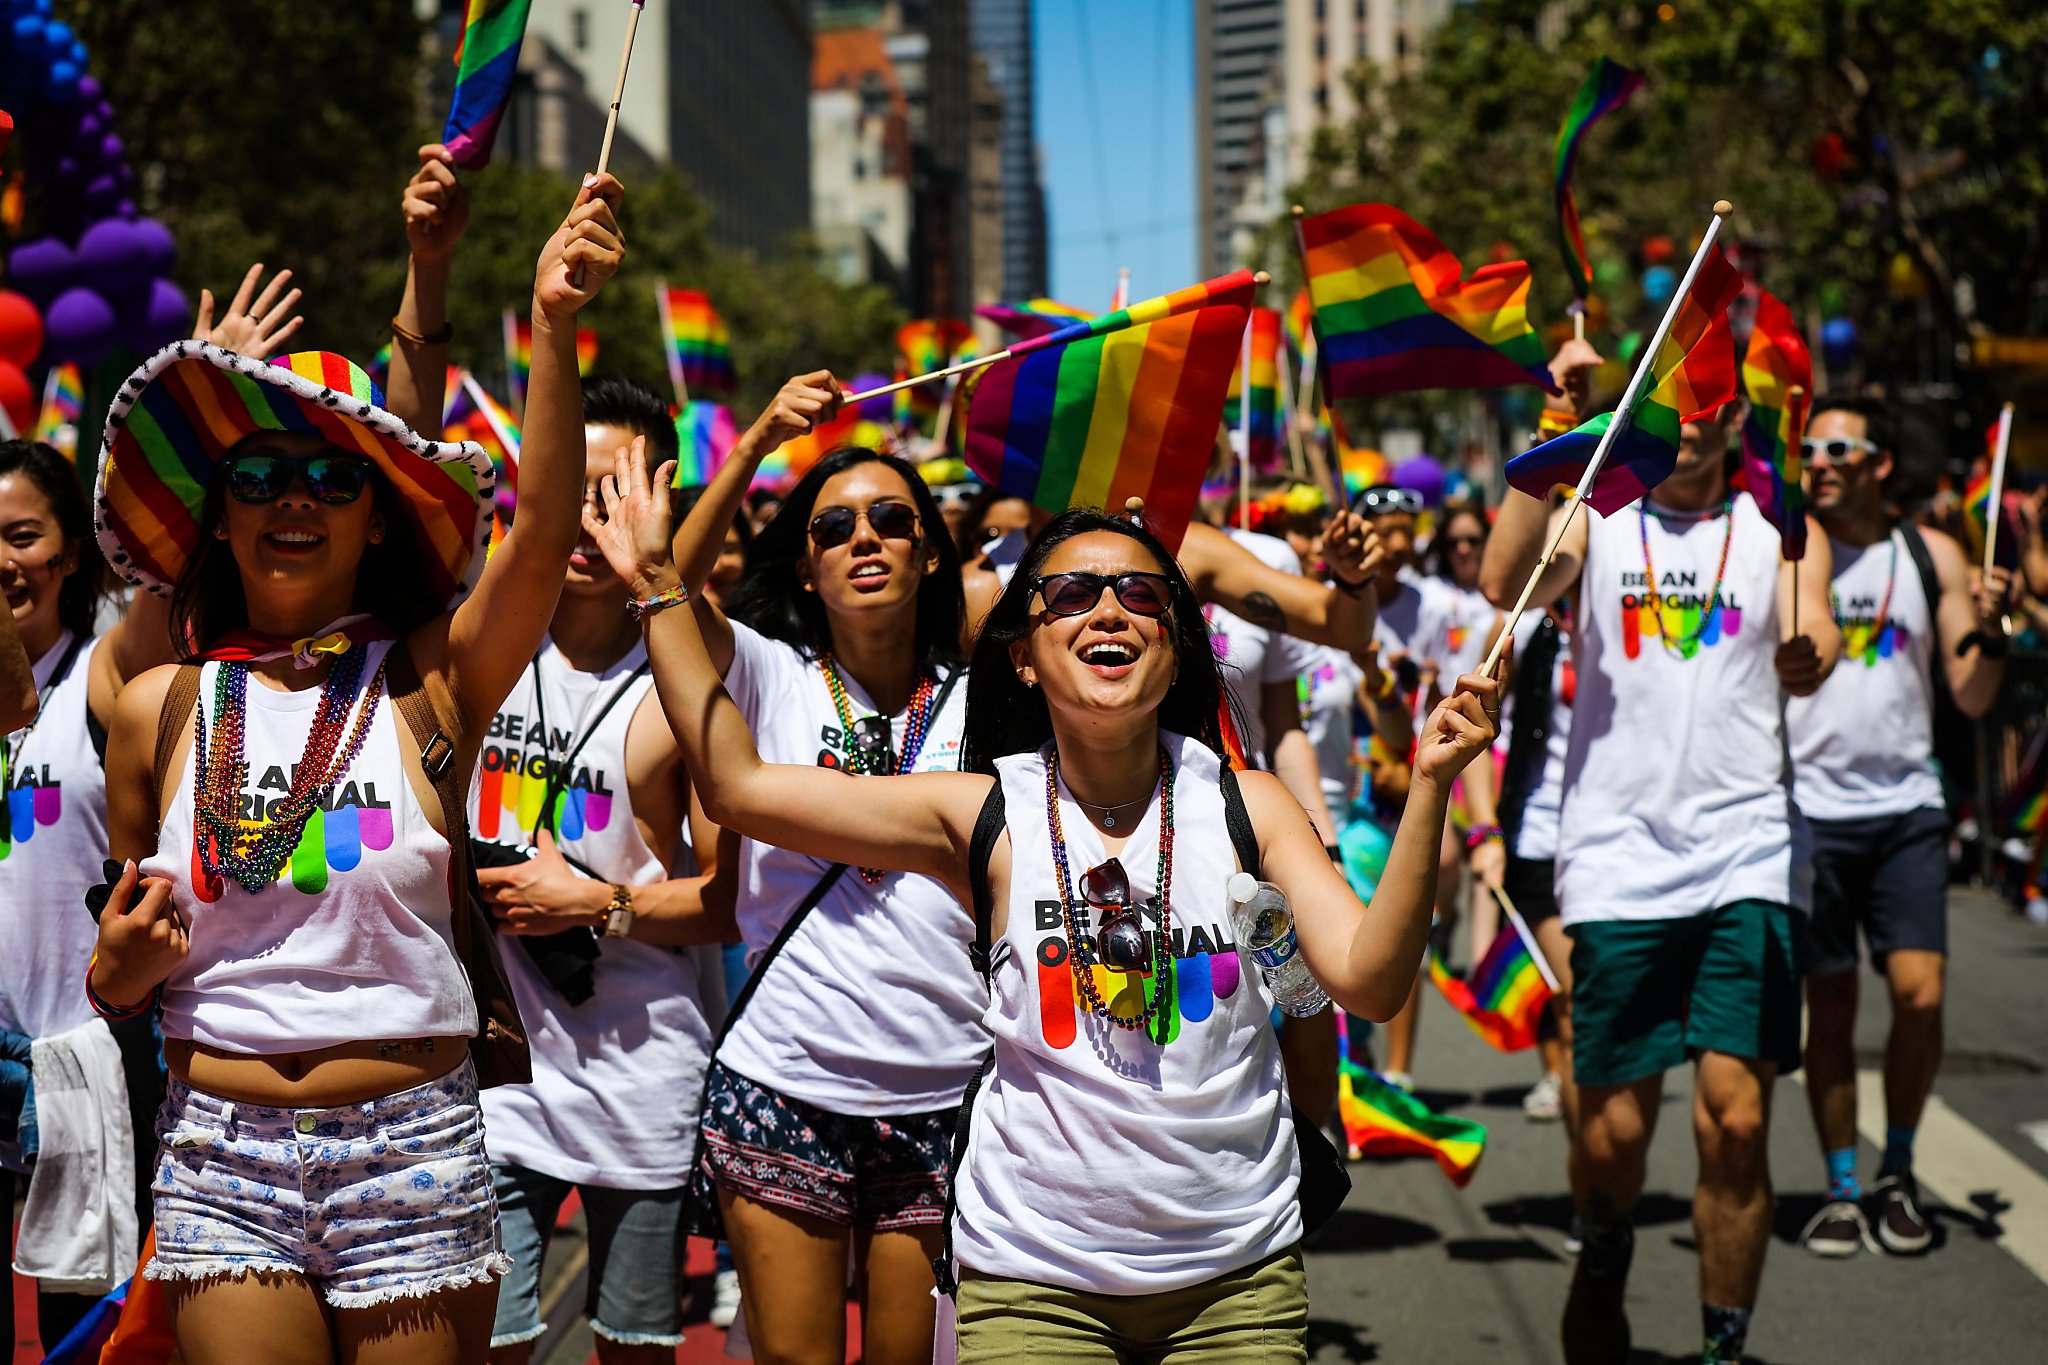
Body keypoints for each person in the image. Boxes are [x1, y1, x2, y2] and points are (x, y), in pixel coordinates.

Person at [580, 445, 1501, 1362]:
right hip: (1033, 1279)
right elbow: (736, 786)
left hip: (1238, 1273)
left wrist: (1430, 788)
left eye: (1142, 594)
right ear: (1021, 657)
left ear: (1176, 644)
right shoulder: (980, 810)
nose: (1108, 608)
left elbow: (1370, 983)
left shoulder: (1248, 804)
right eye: (1070, 594)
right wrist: (661, 584)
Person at [85, 174, 625, 1365]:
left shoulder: (431, 679)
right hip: (220, 1153)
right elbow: (125, 955)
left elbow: (537, 536)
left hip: (414, 1149)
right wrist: (117, 976)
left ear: (375, 517)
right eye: (258, 478)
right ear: (216, 518)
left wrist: (549, 320)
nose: (294, 502)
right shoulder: (153, 709)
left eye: (332, 480)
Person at [1482, 353, 1841, 1365]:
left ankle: (1721, 1350)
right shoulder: (1596, 522)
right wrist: (1563, 420)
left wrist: (1806, 655)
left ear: (1733, 422)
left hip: (1748, 851)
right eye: (1671, 407)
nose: (1690, 424)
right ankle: (1602, 1247)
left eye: (1709, 408)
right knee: (1612, 1138)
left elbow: (1808, 631)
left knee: (1734, 1122)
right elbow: (1502, 580)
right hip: (1616, 858)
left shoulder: (1773, 531)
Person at [660, 375, 984, 1365]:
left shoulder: (990, 705)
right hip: (784, 1082)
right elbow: (663, 585)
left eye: (891, 519)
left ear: (928, 551)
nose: (864, 539)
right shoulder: (766, 674)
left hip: (946, 1092)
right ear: (804, 569)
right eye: (833, 527)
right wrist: (757, 438)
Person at [471, 377, 736, 1361]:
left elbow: (726, 899)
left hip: (643, 1082)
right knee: (481, 1342)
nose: (585, 522)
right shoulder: (483, 648)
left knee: (630, 1345)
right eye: (564, 490)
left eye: (612, 492)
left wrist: (599, 904)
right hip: (496, 1079)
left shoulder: (684, 680)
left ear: (659, 493)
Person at [1788, 395, 2008, 1259]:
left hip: (1907, 806)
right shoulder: (1788, 548)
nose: (1821, 461)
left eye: (1840, 447)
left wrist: (1991, 629)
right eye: (1809, 448)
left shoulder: (1932, 553)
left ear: (1880, 461)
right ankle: (1843, 1187)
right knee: (1832, 1009)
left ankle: (1899, 1172)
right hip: (1811, 810)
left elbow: (1974, 692)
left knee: (1920, 995)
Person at [0, 434, 186, 1349]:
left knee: (89, 1342)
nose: (1, 559)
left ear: (70, 551)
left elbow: (162, 578)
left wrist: (181, 429)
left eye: (22, 534)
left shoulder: (100, 671)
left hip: (82, 1076)